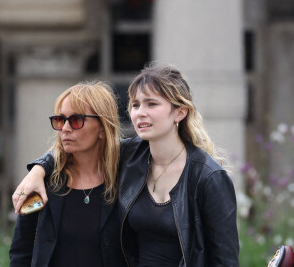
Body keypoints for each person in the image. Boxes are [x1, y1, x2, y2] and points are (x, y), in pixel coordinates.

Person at [13, 64, 240, 266]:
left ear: (180, 112)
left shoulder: (208, 177)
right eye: (136, 104)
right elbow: (77, 146)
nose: (141, 113)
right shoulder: (133, 156)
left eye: (151, 104)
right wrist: (38, 170)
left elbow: (225, 259)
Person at [9, 81, 126, 267]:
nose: (65, 128)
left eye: (76, 120)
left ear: (102, 128)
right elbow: (21, 251)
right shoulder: (42, 183)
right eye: (60, 119)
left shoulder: (126, 181)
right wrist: (38, 169)